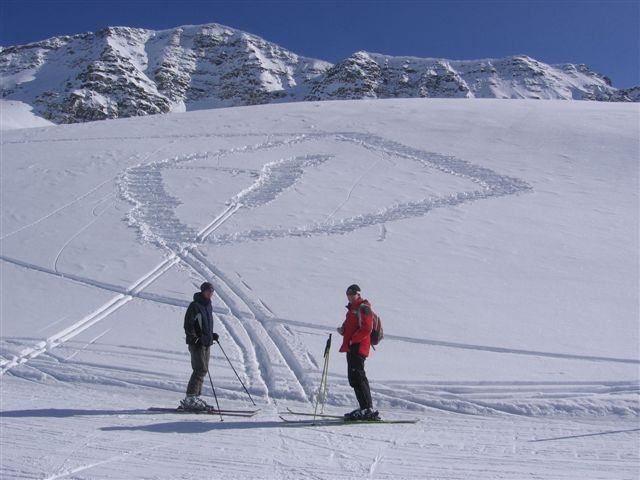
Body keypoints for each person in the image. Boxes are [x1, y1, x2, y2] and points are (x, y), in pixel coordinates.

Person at [337, 284, 379, 420]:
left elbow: (367, 328)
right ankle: (364, 408)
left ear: (358, 294)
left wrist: (353, 340)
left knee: (359, 376)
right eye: (348, 293)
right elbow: (351, 325)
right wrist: (343, 330)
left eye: (352, 293)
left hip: (358, 346)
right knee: (354, 378)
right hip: (352, 346)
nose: (349, 296)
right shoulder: (352, 309)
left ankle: (367, 409)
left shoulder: (363, 307)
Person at [181, 281, 219, 411]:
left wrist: (211, 335)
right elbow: (189, 324)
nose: (210, 293)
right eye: (208, 291)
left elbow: (204, 324)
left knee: (203, 370)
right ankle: (190, 398)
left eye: (212, 291)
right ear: (203, 291)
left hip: (206, 342)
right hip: (197, 343)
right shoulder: (195, 305)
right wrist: (194, 338)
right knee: (199, 369)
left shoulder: (208, 305)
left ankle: (195, 397)